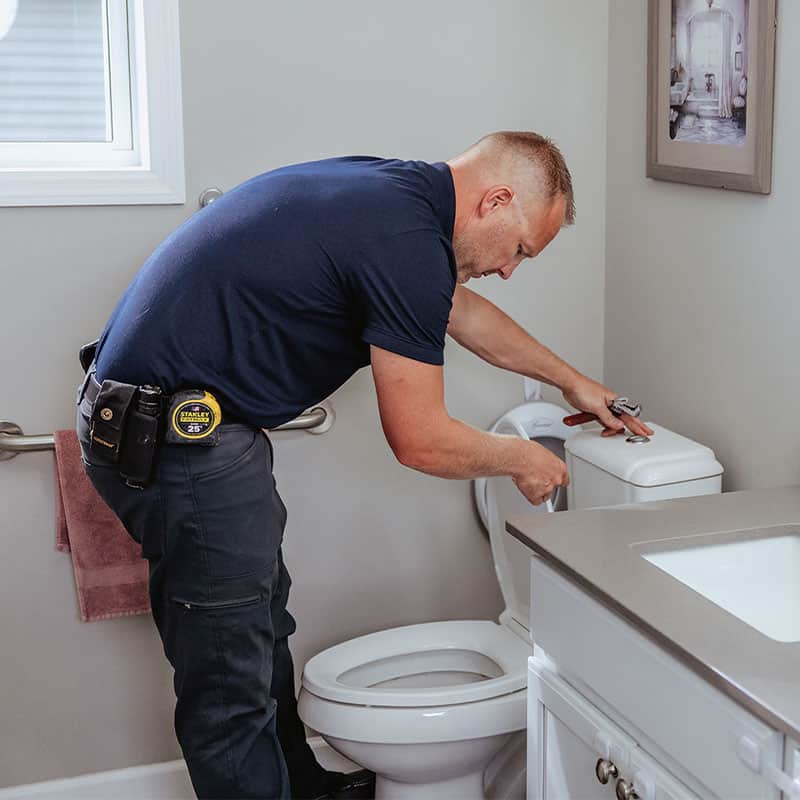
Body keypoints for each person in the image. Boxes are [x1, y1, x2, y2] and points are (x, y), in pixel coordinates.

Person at [75, 130, 653, 800]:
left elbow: (461, 313)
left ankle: (305, 791)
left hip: (180, 425)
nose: (509, 270)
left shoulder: (395, 196)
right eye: (520, 249)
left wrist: (572, 382)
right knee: (228, 681)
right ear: (496, 201)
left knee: (260, 631)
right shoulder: (407, 242)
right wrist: (522, 458)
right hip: (179, 440)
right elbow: (420, 440)